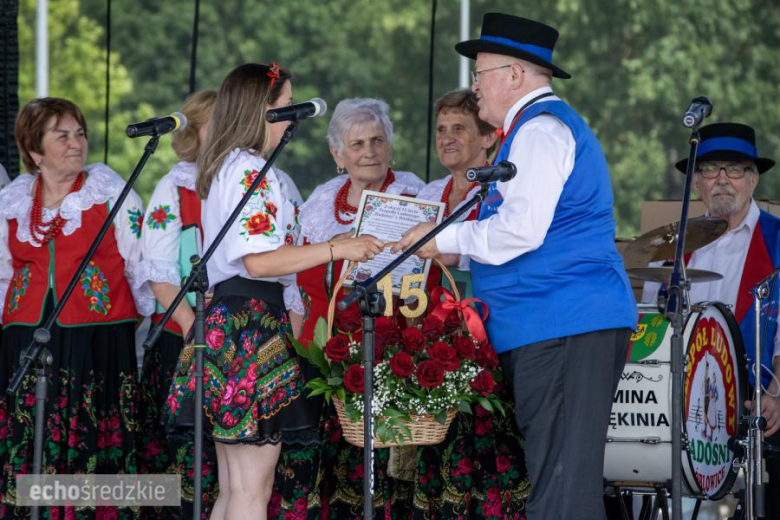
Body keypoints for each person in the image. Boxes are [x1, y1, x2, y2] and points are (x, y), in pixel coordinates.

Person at [394, 13, 637, 519]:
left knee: (563, 488)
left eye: (479, 74)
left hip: (564, 322)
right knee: (555, 479)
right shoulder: (525, 131)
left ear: (513, 75)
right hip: (549, 325)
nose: (474, 87)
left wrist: (441, 238)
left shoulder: (541, 131)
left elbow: (519, 233)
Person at [164, 63, 383, 520]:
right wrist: (338, 247)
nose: (292, 114)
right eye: (286, 105)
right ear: (263, 110)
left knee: (234, 487)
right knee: (249, 490)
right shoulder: (250, 171)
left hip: (235, 322)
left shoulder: (233, 166)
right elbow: (259, 261)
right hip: (249, 325)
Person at [269, 98, 425, 519]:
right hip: (327, 352)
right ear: (337, 155)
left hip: (391, 350)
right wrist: (303, 352)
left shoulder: (412, 193)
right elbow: (295, 286)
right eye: (356, 144)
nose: (369, 151)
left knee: (381, 472)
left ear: (391, 146)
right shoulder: (321, 201)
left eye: (378, 139)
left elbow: (424, 276)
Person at [0, 97, 151, 519]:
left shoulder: (109, 189)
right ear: (34, 150)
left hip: (97, 343)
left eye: (80, 133)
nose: (75, 143)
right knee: (33, 438)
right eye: (61, 135)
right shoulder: (12, 201)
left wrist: (126, 319)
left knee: (91, 438)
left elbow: (139, 261)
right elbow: (2, 272)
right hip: (26, 342)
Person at [640, 122, 780, 517]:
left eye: (734, 169)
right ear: (696, 183)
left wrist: (777, 394)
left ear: (752, 179)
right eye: (709, 169)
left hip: (757, 401)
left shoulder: (778, 242)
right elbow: (652, 323)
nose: (722, 180)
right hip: (676, 404)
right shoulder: (670, 247)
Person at [412, 88, 530, 518]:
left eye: (459, 128)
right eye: (441, 129)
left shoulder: (504, 193)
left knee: (492, 458)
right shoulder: (428, 195)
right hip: (435, 348)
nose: (446, 138)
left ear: (487, 139)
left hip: (494, 339)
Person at [135, 88, 219, 519]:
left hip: (240, 341)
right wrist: (193, 330)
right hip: (184, 338)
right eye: (215, 123)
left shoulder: (268, 178)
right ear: (194, 134)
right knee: (179, 464)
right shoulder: (175, 184)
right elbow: (160, 269)